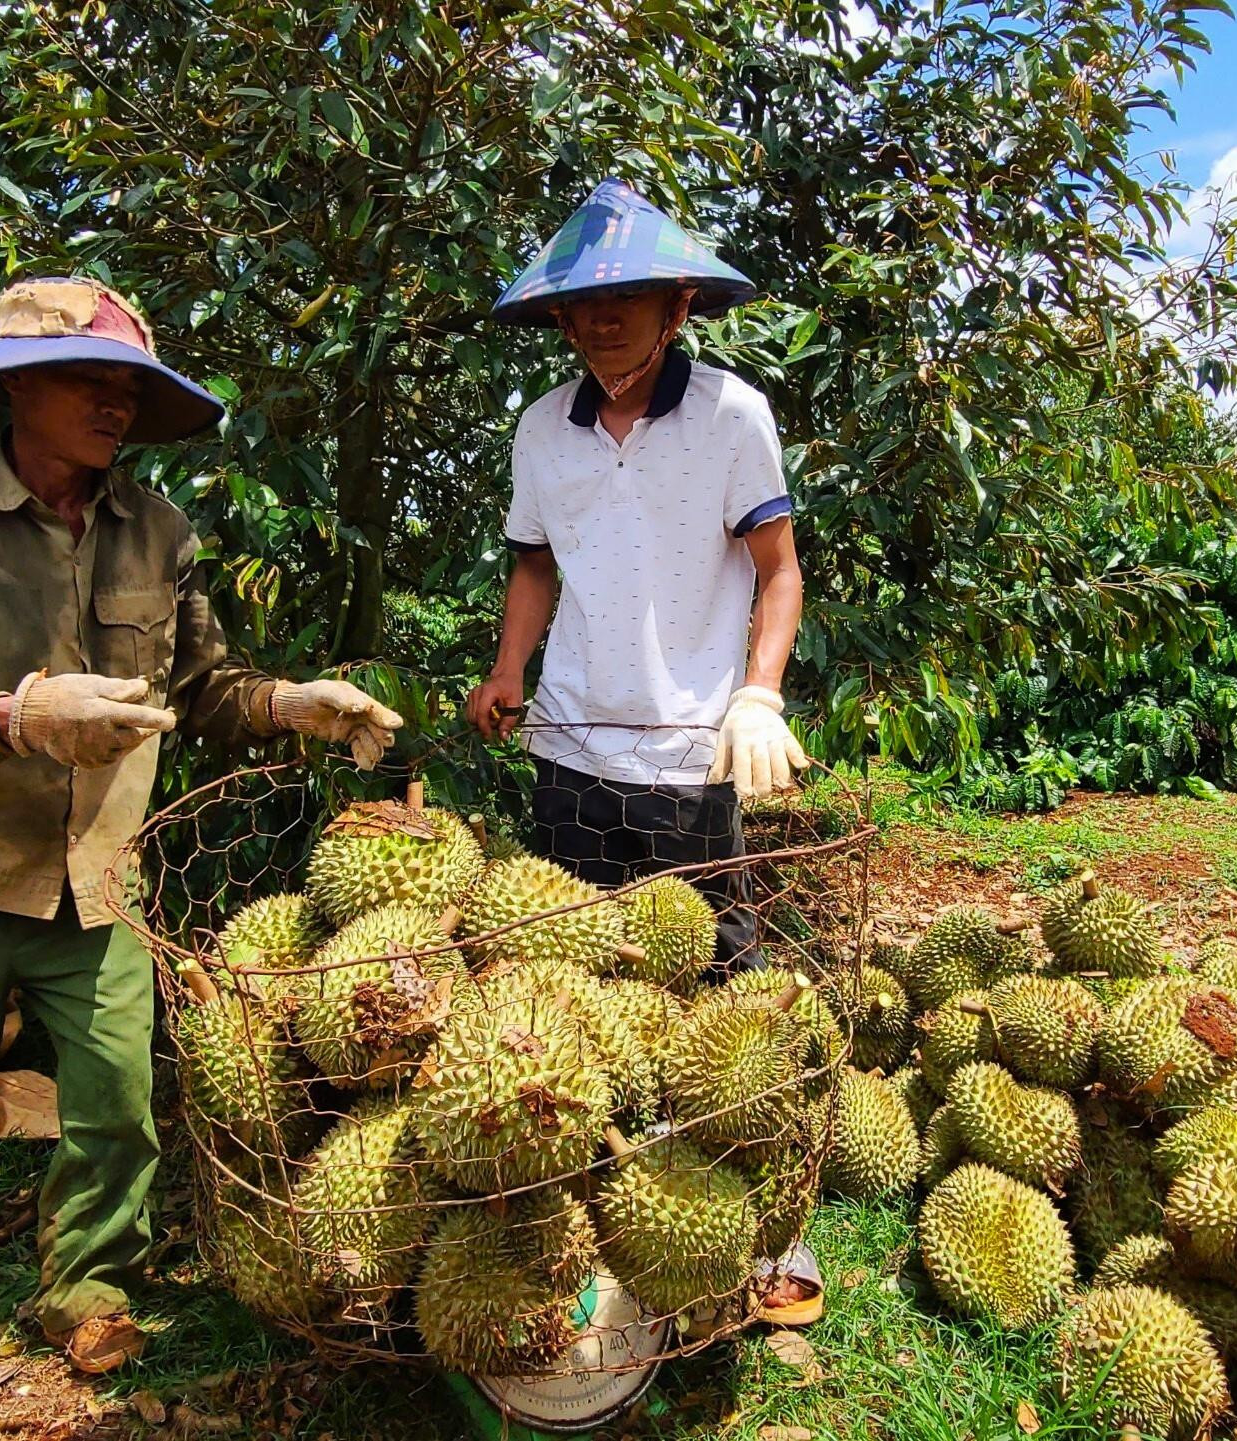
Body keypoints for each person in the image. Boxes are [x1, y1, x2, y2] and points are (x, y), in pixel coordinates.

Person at [0, 276, 403, 1374]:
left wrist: (291, 703)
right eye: (91, 378)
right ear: (15, 387)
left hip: (98, 878)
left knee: (116, 1104)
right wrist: (14, 714)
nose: (116, 403)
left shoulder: (157, 532)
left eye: (130, 385)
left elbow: (199, 686)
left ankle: (87, 1284)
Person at [465, 181, 821, 1324]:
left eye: (626, 298)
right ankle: (600, 1208)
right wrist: (510, 670)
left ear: (677, 305)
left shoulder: (731, 416)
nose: (602, 320)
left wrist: (760, 696)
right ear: (561, 323)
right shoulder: (540, 429)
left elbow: (778, 568)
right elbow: (534, 565)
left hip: (688, 748)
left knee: (721, 986)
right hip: (571, 737)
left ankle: (771, 1225)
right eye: (581, 305)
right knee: (573, 982)